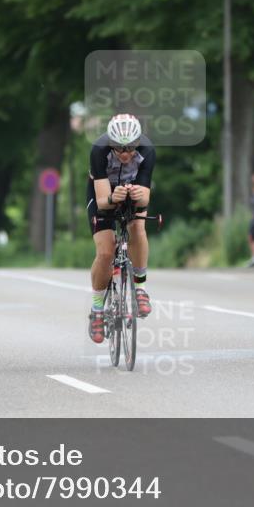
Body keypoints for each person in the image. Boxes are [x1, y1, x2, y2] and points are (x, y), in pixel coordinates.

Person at [86, 113, 155, 344]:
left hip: (132, 191)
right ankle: (97, 310)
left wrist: (138, 196)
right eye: (119, 148)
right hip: (104, 194)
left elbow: (145, 198)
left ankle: (141, 287)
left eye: (130, 148)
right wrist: (112, 197)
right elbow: (103, 200)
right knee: (106, 252)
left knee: (137, 228)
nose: (125, 154)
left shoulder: (147, 150)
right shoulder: (99, 149)